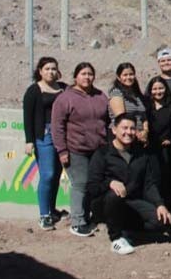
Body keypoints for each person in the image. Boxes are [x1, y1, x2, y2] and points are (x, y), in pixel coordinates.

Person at [86, 114, 171, 255]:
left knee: (161, 222)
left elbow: (148, 184)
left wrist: (160, 204)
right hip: (107, 205)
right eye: (124, 128)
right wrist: (110, 183)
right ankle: (116, 239)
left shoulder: (141, 154)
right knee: (114, 195)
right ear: (114, 130)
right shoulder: (102, 154)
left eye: (132, 128)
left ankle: (128, 232)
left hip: (132, 203)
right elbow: (92, 187)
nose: (129, 132)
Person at [51, 62, 110, 237]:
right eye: (83, 74)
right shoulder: (65, 98)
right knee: (80, 184)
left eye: (90, 74)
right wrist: (62, 150)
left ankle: (90, 216)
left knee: (94, 184)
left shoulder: (100, 96)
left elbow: (107, 121)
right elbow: (57, 126)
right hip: (75, 149)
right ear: (76, 76)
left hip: (98, 149)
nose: (87, 77)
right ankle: (77, 222)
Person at [23, 56, 67, 230]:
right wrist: (29, 140)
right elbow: (27, 117)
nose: (51, 72)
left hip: (62, 135)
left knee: (56, 174)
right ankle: (44, 215)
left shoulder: (64, 89)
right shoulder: (34, 90)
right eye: (47, 69)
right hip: (44, 136)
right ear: (40, 71)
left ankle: (52, 210)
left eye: (53, 68)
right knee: (47, 174)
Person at [145, 77, 171, 206]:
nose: (158, 91)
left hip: (167, 148)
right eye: (155, 89)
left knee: (169, 179)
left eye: (161, 88)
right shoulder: (147, 107)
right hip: (150, 149)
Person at [108, 62, 148, 145]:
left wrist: (145, 131)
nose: (128, 77)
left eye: (131, 74)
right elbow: (121, 116)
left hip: (138, 136)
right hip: (124, 135)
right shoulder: (116, 93)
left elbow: (143, 116)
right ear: (119, 77)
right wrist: (136, 133)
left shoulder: (137, 94)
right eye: (125, 75)